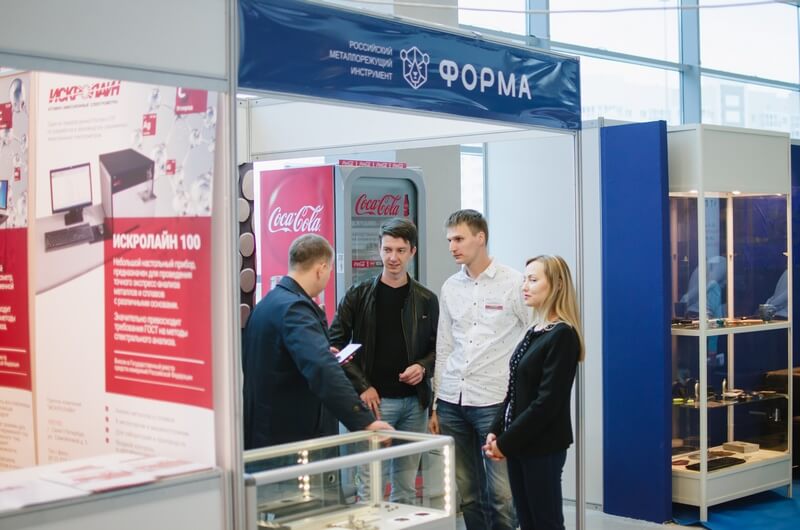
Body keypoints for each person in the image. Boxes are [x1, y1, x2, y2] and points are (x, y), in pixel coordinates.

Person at [242, 233, 392, 449]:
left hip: (262, 433)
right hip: (291, 440)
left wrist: (320, 350)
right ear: (321, 268)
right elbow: (321, 368)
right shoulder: (295, 309)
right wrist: (364, 420)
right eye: (329, 270)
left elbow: (275, 360)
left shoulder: (267, 304)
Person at [430, 209, 530, 530]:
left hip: (494, 402)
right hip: (452, 401)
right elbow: (444, 345)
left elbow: (534, 339)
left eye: (459, 239)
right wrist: (436, 403)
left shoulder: (514, 283)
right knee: (468, 492)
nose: (452, 247)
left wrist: (522, 397)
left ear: (480, 238)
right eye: (449, 240)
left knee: (502, 494)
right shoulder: (450, 287)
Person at [329, 217, 439, 504]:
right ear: (379, 249)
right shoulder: (358, 294)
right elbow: (334, 346)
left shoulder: (427, 299)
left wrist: (423, 367)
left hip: (415, 404)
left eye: (400, 250)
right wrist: (362, 386)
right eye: (387, 249)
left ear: (412, 251)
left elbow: (438, 348)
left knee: (406, 487)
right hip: (374, 404)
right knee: (370, 487)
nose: (393, 258)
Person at [483, 255, 583, 530]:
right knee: (527, 522)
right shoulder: (534, 331)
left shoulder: (562, 335)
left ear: (557, 285)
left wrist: (505, 442)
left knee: (545, 523)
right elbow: (514, 390)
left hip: (542, 446)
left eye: (533, 280)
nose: (524, 286)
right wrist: (496, 430)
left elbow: (546, 403)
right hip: (520, 444)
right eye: (525, 279)